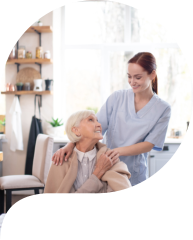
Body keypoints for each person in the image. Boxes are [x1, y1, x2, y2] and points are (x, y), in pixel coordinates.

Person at [52, 52, 171, 187]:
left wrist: (116, 152)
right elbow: (95, 129)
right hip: (107, 167)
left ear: (152, 74)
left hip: (135, 171)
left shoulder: (163, 108)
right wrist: (70, 144)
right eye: (129, 76)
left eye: (138, 77)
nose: (132, 82)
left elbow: (149, 144)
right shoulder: (117, 97)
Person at [44, 110, 132, 194]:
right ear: (76, 130)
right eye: (90, 120)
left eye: (97, 120)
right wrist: (97, 173)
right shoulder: (60, 160)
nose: (99, 124)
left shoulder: (109, 158)